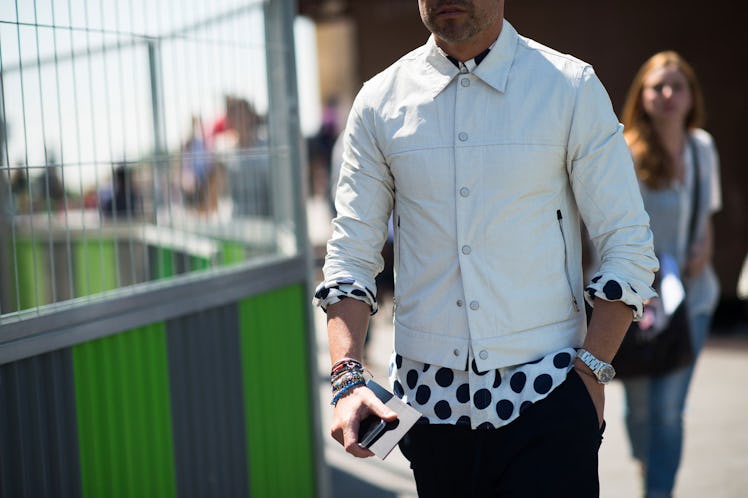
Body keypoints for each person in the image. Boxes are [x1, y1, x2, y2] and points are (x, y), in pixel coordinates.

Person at [313, 1, 658, 496]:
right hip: (430, 415)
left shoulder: (569, 87)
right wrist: (347, 379)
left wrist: (591, 374)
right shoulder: (378, 102)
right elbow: (350, 254)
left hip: (551, 400)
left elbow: (628, 241)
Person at [619, 51, 721, 498]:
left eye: (676, 86)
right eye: (657, 86)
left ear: (690, 96)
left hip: (693, 299)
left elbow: (706, 214)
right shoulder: (626, 152)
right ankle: (648, 464)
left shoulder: (702, 147)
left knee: (667, 411)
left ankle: (658, 491)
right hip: (639, 301)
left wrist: (704, 248)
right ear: (641, 95)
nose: (667, 94)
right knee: (640, 410)